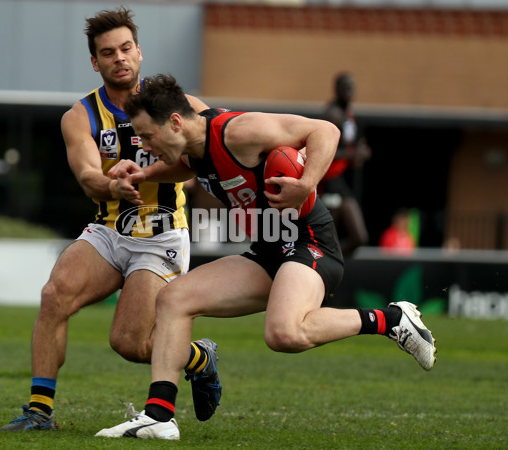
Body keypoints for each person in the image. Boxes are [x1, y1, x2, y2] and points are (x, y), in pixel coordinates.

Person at [95, 74, 438, 440]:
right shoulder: (192, 149)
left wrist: (306, 184)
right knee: (174, 298)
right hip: (269, 249)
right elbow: (188, 166)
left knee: (283, 334)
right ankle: (159, 417)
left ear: (176, 122)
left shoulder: (239, 132)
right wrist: (146, 171)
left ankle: (392, 319)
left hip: (309, 241)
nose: (144, 145)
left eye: (148, 136)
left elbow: (325, 131)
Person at [1, 8, 221, 431]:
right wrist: (110, 185)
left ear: (139, 52)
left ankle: (199, 356)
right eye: (107, 53)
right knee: (53, 296)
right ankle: (39, 411)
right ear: (95, 62)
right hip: (108, 231)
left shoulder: (181, 106)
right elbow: (86, 175)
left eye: (125, 48)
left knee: (129, 342)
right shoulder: (79, 115)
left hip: (159, 236)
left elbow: (209, 152)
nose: (118, 58)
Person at [319, 72, 371, 258]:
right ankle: (321, 263)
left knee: (360, 237)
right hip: (329, 180)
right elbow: (322, 150)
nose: (350, 91)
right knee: (326, 237)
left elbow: (350, 146)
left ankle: (330, 260)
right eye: (346, 87)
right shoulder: (332, 114)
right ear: (336, 89)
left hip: (341, 181)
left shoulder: (348, 114)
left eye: (352, 88)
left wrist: (359, 152)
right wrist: (352, 154)